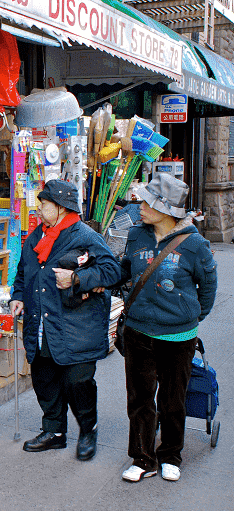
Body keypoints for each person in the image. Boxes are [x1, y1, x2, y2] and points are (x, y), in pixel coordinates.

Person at [10, 179, 121, 461]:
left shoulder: (84, 236)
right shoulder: (37, 235)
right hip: (41, 324)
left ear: (59, 208)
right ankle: (54, 432)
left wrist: (77, 278)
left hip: (76, 326)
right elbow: (24, 272)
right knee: (44, 378)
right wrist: (18, 295)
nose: (38, 209)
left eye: (43, 204)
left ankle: (88, 429)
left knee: (77, 382)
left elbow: (112, 271)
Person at [117, 173, 217, 483]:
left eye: (147, 201)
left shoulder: (195, 245)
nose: (140, 205)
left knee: (173, 399)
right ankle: (142, 458)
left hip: (178, 337)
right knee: (140, 399)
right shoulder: (136, 235)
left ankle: (171, 454)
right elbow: (125, 272)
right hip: (138, 333)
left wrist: (188, 317)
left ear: (165, 208)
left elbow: (208, 287)